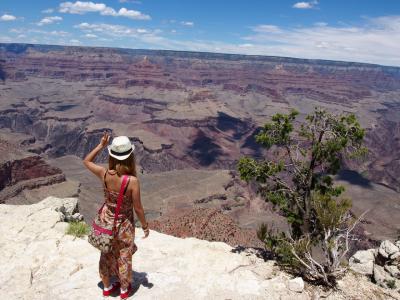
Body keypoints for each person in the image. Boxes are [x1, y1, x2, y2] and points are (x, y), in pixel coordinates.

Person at [83, 132, 149, 299]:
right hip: (124, 225)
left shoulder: (104, 173)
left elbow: (86, 161)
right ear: (129, 157)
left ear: (112, 155)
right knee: (124, 255)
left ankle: (106, 286)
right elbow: (138, 208)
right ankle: (124, 290)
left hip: (106, 221)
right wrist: (145, 226)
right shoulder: (132, 181)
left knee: (106, 253)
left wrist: (100, 146)